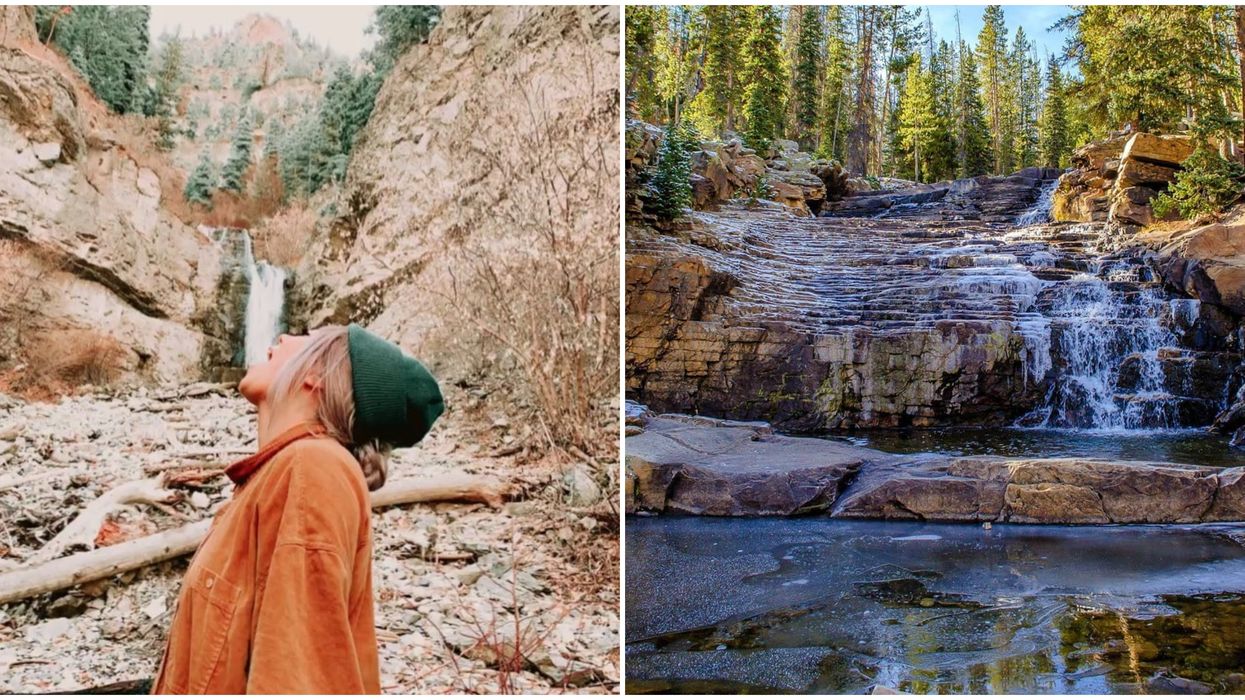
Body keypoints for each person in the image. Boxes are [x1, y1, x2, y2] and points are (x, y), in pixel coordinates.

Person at [151, 323, 443, 694]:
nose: (284, 338)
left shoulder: (313, 470)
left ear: (316, 377)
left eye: (304, 338)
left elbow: (296, 676)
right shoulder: (279, 474)